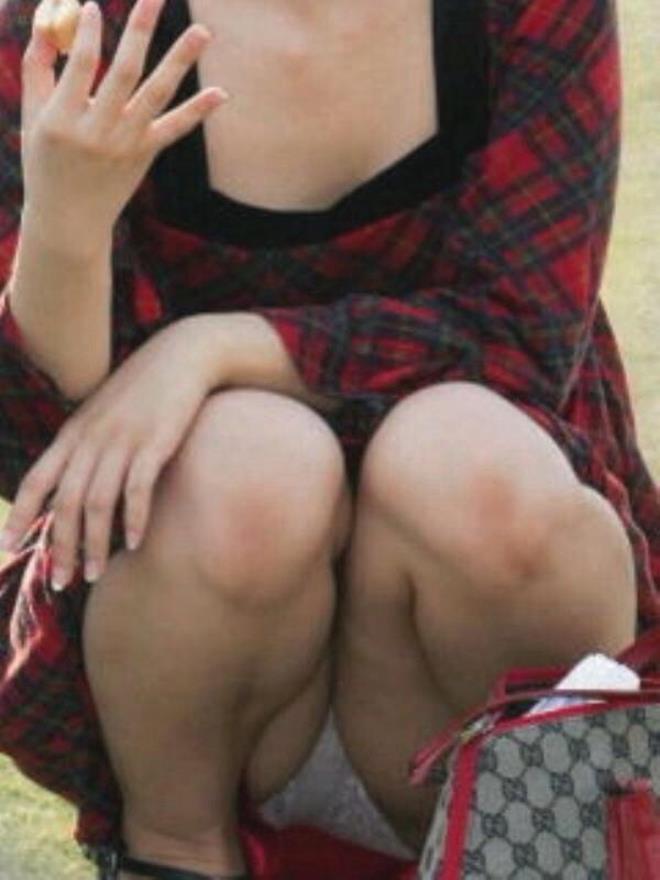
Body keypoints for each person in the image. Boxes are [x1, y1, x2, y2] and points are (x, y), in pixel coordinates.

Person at [0, 0, 658, 878]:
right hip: (206, 671)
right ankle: (174, 852)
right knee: (249, 464)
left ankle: (549, 856)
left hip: (484, 652)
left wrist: (215, 348)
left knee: (469, 463)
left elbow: (519, 339)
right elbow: (50, 450)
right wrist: (65, 231)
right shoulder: (75, 24)